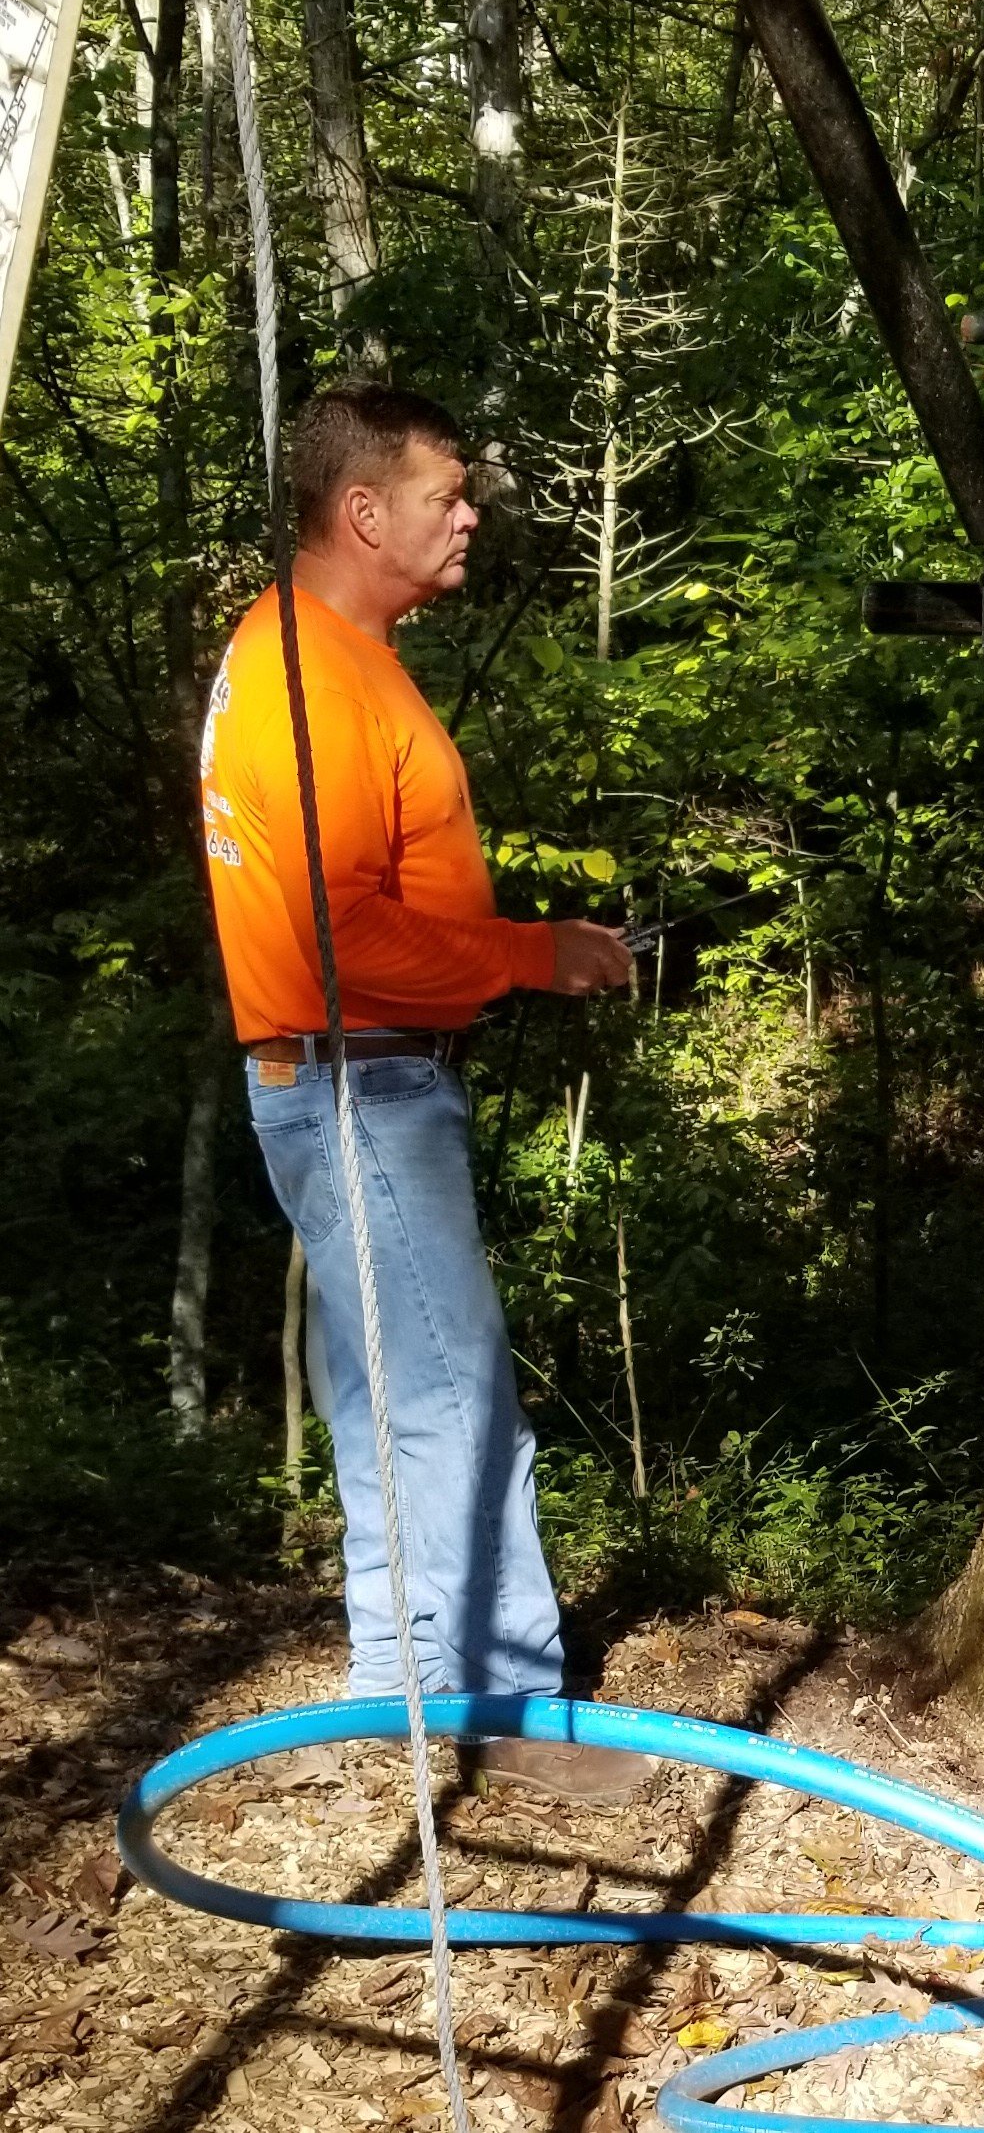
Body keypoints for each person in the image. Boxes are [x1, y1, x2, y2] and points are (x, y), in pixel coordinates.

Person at [199, 382, 644, 1802]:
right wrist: (529, 950)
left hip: (347, 1078)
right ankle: (512, 1713)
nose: (470, 516)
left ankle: (398, 1689)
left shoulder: (331, 654)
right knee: (452, 1398)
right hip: (357, 1079)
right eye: (448, 493)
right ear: (362, 510)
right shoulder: (308, 673)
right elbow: (339, 935)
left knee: (390, 1394)